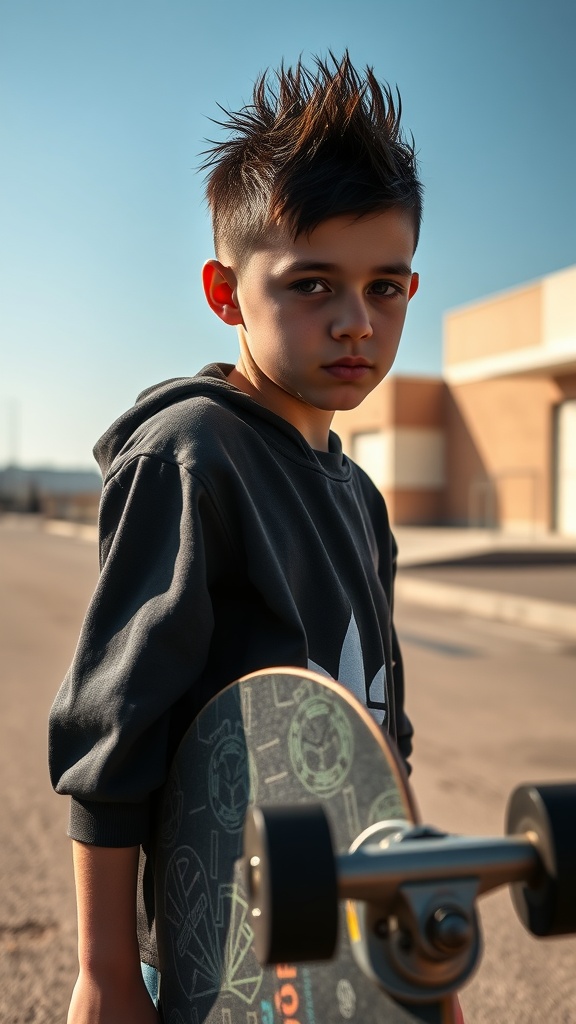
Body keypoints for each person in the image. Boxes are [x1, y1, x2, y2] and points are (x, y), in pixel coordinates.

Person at [49, 52, 422, 1023]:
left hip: (355, 955)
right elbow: (113, 733)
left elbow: (379, 742)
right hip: (231, 957)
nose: (356, 323)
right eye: (312, 285)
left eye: (386, 287)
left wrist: (413, 950)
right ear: (225, 292)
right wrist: (106, 971)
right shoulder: (190, 456)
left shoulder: (358, 494)